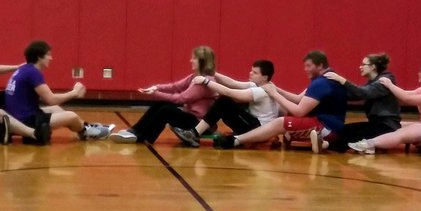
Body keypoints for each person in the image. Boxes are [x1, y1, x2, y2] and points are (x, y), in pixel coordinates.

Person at [219, 50, 347, 152]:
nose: (305, 69)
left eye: (309, 66)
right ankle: (300, 136)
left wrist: (274, 93)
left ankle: (236, 140)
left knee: (281, 122)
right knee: (285, 110)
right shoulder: (326, 79)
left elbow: (299, 111)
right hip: (330, 124)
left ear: (320, 66)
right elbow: (298, 99)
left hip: (327, 127)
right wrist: (275, 89)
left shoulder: (321, 83)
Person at [2, 40, 112, 142]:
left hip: (18, 115)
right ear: (39, 57)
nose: (51, 58)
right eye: (48, 55)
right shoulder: (33, 72)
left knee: (56, 109)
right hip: (26, 120)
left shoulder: (24, 69)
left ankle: (85, 128)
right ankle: (87, 132)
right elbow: (51, 99)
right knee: (71, 116)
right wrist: (74, 92)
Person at [111, 46, 217, 144]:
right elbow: (175, 86)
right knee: (161, 104)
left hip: (200, 124)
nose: (191, 61)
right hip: (192, 118)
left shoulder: (204, 82)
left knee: (166, 111)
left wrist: (156, 93)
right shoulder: (194, 77)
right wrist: (156, 87)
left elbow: (181, 99)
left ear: (202, 61)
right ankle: (135, 131)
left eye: (194, 58)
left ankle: (144, 137)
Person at [346, 63, 421, 154]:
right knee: (394, 125)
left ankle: (369, 144)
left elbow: (407, 99)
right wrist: (387, 91)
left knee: (400, 134)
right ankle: (378, 142)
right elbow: (406, 94)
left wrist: (389, 84)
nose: (419, 74)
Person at [170, 59, 278, 147]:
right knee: (226, 102)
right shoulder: (259, 85)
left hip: (258, 130)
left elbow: (229, 92)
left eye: (255, 72)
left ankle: (195, 133)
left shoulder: (262, 91)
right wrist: (212, 72)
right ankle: (201, 129)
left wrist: (206, 81)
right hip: (254, 125)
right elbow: (232, 83)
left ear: (264, 77)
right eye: (251, 70)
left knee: (224, 101)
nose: (250, 73)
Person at [323, 53, 400, 148]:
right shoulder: (373, 83)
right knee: (344, 129)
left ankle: (326, 145)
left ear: (373, 67)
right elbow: (354, 95)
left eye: (364, 64)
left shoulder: (384, 81)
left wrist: (342, 80)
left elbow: (362, 93)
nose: (360, 67)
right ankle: (324, 140)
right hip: (376, 124)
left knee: (355, 135)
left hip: (387, 126)